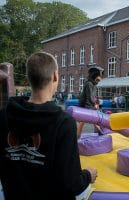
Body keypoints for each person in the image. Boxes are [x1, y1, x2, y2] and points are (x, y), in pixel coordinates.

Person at [0, 52, 97, 200]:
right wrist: (88, 175)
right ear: (55, 77)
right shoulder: (63, 123)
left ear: (28, 78)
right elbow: (71, 184)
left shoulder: (3, 116)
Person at [77, 67, 103, 138]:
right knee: (83, 120)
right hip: (86, 105)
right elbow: (89, 97)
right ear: (94, 76)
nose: (98, 81)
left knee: (93, 119)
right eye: (97, 79)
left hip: (90, 104)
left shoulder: (94, 85)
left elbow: (94, 96)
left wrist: (97, 102)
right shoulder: (89, 84)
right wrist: (94, 105)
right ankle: (77, 135)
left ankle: (99, 131)